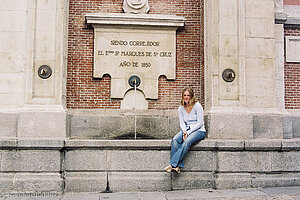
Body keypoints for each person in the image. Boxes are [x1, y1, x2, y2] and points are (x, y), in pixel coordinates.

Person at [165, 87, 206, 174]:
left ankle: (173, 164)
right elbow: (182, 123)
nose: (186, 97)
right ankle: (177, 167)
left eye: (188, 95)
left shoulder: (197, 106)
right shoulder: (181, 108)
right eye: (185, 95)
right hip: (186, 130)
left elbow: (200, 122)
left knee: (187, 141)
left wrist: (188, 132)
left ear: (191, 96)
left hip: (199, 131)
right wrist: (184, 131)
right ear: (182, 96)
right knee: (175, 139)